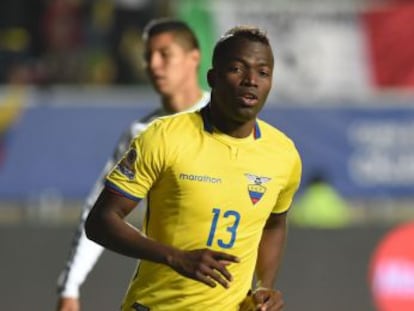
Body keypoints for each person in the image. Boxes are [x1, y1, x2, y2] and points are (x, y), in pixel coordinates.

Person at [85, 25, 302, 311]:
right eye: (237, 69)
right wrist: (174, 256)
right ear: (213, 77)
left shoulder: (283, 154)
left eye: (263, 73)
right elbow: (100, 221)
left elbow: (274, 223)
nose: (251, 80)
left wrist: (264, 286)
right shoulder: (164, 136)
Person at [56, 18, 210, 311]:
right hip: (162, 292)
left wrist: (263, 284)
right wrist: (70, 286)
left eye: (164, 54)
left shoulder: (229, 121)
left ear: (194, 58)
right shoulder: (142, 132)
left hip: (222, 291)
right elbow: (99, 211)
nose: (153, 64)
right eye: (148, 56)